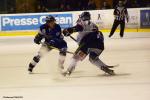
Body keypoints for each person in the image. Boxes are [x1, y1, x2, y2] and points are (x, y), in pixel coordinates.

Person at [62, 12, 115, 76]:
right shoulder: (94, 25)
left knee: (75, 58)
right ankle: (105, 68)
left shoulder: (82, 22)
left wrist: (68, 30)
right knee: (92, 58)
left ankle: (68, 71)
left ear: (81, 17)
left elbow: (77, 28)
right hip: (99, 45)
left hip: (86, 45)